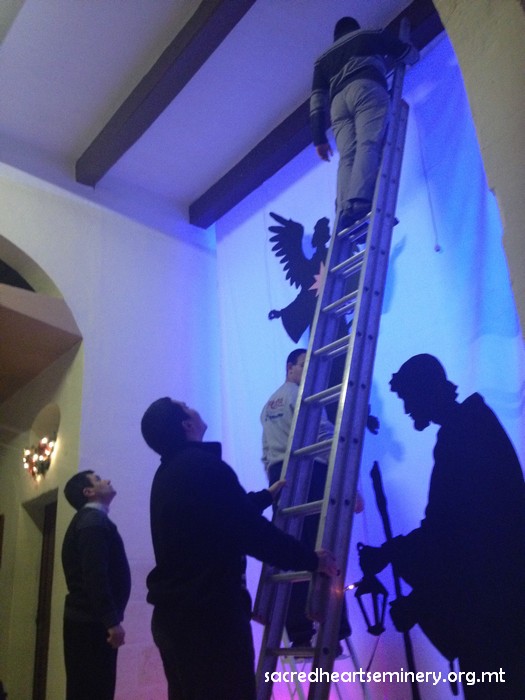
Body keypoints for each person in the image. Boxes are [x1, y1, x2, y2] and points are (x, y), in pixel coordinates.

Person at [140, 397, 337, 700]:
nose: (194, 407)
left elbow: (213, 518)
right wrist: (310, 560)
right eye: (186, 406)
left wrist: (263, 498)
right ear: (187, 425)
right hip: (208, 620)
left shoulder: (170, 473)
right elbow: (250, 532)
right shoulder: (203, 466)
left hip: (177, 619)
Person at [359, 354, 525, 699]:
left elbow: (461, 538)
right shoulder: (470, 427)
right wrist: (392, 553)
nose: (407, 410)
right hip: (500, 606)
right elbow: (451, 528)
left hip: (496, 616)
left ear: (425, 391)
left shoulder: (463, 435)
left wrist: (419, 599)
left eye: (408, 398)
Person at [310, 16, 418, 231]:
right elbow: (405, 53)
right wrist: (414, 54)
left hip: (337, 104)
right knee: (368, 144)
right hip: (366, 87)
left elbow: (316, 102)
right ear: (354, 28)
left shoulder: (322, 61)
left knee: (347, 156)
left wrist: (319, 138)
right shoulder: (368, 34)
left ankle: (343, 210)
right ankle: (360, 202)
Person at [62, 470, 131, 700]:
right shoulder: (93, 522)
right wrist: (111, 621)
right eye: (98, 479)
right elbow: (95, 575)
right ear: (88, 492)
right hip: (91, 625)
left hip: (88, 621)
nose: (107, 480)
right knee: (94, 691)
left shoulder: (91, 521)